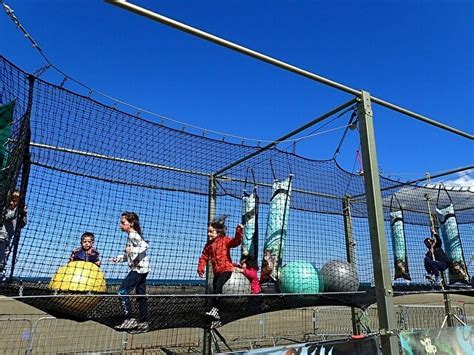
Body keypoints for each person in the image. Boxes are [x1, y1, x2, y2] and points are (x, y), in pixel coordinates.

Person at [197, 215, 243, 325]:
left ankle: (215, 310)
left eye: (211, 232)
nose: (208, 234)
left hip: (226, 269)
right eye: (208, 232)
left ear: (218, 232)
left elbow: (236, 242)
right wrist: (200, 268)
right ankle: (216, 315)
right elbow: (203, 256)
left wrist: (239, 231)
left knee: (218, 287)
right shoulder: (208, 245)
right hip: (217, 272)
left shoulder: (225, 240)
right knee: (215, 291)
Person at [111, 212, 150, 332]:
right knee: (141, 296)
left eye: (123, 223)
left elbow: (145, 246)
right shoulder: (131, 236)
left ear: (131, 224)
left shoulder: (133, 235)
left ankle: (129, 319)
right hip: (143, 269)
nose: (120, 225)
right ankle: (144, 323)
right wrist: (120, 258)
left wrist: (131, 249)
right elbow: (131, 255)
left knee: (122, 291)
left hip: (138, 270)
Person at [0, 191, 27, 274]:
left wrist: (23, 214)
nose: (12, 202)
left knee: (2, 263)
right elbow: (8, 216)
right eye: (11, 200)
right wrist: (18, 210)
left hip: (7, 240)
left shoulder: (18, 212)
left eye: (15, 201)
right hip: (0, 238)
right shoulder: (5, 209)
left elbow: (22, 224)